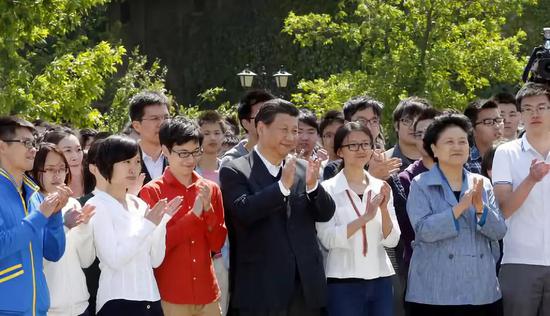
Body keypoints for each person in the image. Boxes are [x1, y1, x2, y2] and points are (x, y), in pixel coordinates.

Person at [219, 99, 335, 316]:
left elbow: (325, 213)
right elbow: (244, 212)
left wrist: (313, 187)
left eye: (295, 130)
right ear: (261, 128)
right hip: (261, 290)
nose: (292, 137)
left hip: (305, 291)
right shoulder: (236, 170)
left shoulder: (302, 168)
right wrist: (281, 187)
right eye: (284, 130)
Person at [405, 114, 506, 315]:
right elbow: (424, 231)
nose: (457, 147)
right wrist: (460, 207)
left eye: (462, 142)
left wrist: (479, 208)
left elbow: (499, 231)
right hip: (434, 291)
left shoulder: (482, 183)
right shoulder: (420, 184)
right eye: (449, 142)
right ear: (434, 148)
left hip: (480, 289)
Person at [140, 117, 227, 316]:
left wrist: (208, 211)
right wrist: (194, 215)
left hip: (208, 294)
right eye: (183, 153)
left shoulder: (211, 189)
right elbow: (157, 247)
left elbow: (217, 244)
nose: (190, 160)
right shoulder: (152, 192)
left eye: (195, 152)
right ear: (165, 151)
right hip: (171, 296)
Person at [88, 135, 182, 315]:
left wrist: (162, 222)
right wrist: (148, 224)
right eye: (126, 162)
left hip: (151, 298)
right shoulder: (98, 205)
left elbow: (155, 260)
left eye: (137, 161)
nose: (133, 168)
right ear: (107, 165)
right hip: (117, 301)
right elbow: (114, 259)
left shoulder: (139, 204)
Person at [317, 122, 400, 316]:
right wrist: (365, 217)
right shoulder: (327, 189)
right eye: (352, 145)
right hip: (343, 282)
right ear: (339, 151)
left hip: (381, 279)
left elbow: (392, 239)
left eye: (365, 144)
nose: (360, 150)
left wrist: (384, 211)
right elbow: (328, 239)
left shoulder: (381, 186)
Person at [0, 116, 70, 315]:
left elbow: (53, 253)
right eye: (26, 143)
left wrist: (55, 216)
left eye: (35, 143)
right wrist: (40, 217)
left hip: (37, 308)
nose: (34, 149)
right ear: (2, 146)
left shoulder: (34, 194)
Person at [492, 82, 550, 316]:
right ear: (520, 115)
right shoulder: (506, 152)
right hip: (519, 261)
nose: (535, 113)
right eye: (527, 108)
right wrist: (531, 180)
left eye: (542, 107)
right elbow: (503, 209)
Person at [30, 143, 96, 316]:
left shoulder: (73, 203)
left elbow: (86, 261)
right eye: (50, 169)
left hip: (80, 304)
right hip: (48, 308)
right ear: (35, 171)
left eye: (61, 169)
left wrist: (85, 226)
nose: (57, 175)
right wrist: (64, 226)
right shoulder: (32, 206)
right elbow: (38, 260)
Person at [194, 111, 230, 315]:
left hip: (222, 254)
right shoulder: (190, 172)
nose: (213, 138)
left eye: (217, 132)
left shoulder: (231, 170)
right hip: (196, 252)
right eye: (206, 133)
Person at [323, 96, 401, 181]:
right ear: (347, 124)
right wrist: (372, 178)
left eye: (374, 121)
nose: (369, 127)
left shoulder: (386, 163)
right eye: (361, 121)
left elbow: (397, 194)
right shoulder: (333, 169)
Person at [220, 89, 274, 167]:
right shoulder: (232, 161)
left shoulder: (284, 159)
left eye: (272, 116)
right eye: (261, 117)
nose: (268, 121)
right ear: (245, 123)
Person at [130, 91, 171, 184]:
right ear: (136, 126)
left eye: (166, 118)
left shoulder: (178, 157)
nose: (162, 124)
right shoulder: (125, 159)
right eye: (154, 118)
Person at [385, 97, 430, 172]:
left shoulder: (442, 161)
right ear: (396, 125)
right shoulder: (383, 163)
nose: (413, 126)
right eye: (407, 121)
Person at [463, 99, 504, 174]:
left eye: (499, 120)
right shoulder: (465, 162)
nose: (497, 126)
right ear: (471, 129)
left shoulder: (514, 155)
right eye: (488, 122)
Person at [43, 128, 86, 197]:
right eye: (68, 150)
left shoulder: (94, 177)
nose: (75, 157)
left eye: (78, 149)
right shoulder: (40, 191)